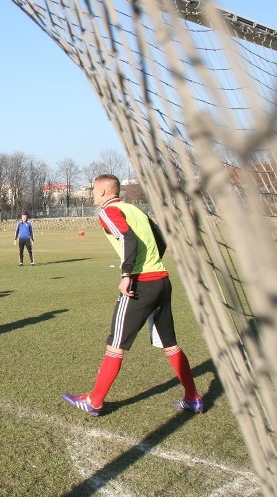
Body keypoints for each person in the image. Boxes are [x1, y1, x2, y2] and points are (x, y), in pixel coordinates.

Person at [62, 174, 202, 416]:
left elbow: (127, 237)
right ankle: (193, 397)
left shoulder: (108, 211)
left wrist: (128, 273)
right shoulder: (134, 210)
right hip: (161, 281)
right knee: (170, 344)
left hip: (140, 284)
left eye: (94, 190)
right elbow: (159, 239)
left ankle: (94, 401)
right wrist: (152, 262)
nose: (92, 194)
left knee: (116, 344)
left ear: (105, 191)